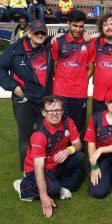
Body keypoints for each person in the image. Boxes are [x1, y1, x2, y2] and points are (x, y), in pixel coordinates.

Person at [12, 95, 84, 218]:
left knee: (79, 156)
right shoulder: (39, 134)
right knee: (54, 189)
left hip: (55, 164)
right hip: (37, 169)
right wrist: (44, 196)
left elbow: (78, 144)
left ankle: (61, 185)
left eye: (57, 110)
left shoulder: (68, 121)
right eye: (50, 110)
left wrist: (68, 150)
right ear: (44, 113)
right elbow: (39, 168)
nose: (54, 114)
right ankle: (23, 185)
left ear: (62, 111)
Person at [0, 20, 53, 172]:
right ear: (29, 33)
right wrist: (13, 86)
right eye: (36, 32)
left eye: (43, 32)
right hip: (24, 98)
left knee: (47, 135)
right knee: (26, 137)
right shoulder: (15, 49)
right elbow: (1, 68)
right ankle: (27, 171)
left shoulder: (49, 45)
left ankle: (47, 169)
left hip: (45, 99)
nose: (40, 35)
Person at [51, 10, 95, 143]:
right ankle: (60, 157)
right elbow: (55, 64)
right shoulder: (58, 41)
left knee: (78, 126)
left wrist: (81, 81)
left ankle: (77, 158)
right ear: (68, 24)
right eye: (75, 26)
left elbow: (91, 67)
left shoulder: (89, 43)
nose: (78, 29)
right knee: (61, 125)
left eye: (81, 26)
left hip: (79, 92)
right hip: (61, 91)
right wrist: (61, 79)